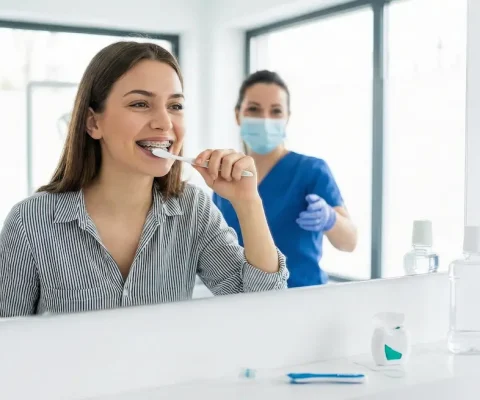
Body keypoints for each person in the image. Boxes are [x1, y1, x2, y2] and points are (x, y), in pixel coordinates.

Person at [0, 43, 288, 318]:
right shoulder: (30, 221)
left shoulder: (194, 210)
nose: (164, 122)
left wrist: (248, 202)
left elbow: (261, 310)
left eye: (175, 106)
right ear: (93, 123)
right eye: (140, 103)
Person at [213, 70, 357, 288]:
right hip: (244, 302)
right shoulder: (226, 176)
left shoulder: (310, 171)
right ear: (237, 114)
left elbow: (349, 242)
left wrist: (330, 219)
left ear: (287, 117)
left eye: (276, 111)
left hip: (304, 299)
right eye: (254, 109)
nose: (265, 119)